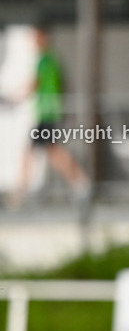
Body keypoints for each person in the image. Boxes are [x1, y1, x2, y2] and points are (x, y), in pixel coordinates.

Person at [8, 23, 91, 210]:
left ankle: (22, 193)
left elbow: (33, 85)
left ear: (43, 36)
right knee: (48, 153)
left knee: (43, 153)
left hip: (48, 113)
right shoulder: (52, 60)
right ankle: (80, 184)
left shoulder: (46, 60)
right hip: (50, 113)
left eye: (35, 36)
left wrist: (13, 99)